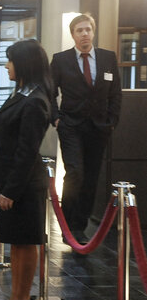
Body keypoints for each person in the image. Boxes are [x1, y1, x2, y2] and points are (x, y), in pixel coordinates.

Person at [0, 40, 51, 300]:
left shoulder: (36, 100)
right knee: (15, 243)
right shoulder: (23, 92)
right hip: (11, 180)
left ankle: (22, 299)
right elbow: (6, 143)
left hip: (25, 185)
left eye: (10, 61)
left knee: (26, 244)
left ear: (24, 63)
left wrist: (10, 190)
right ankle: (15, 298)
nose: (6, 66)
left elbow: (26, 151)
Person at [51, 13, 122, 244]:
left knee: (91, 177)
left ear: (93, 32)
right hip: (70, 125)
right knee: (74, 173)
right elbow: (50, 92)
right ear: (73, 35)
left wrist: (111, 121)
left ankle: (79, 227)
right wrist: (56, 118)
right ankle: (68, 226)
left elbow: (115, 94)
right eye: (79, 30)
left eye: (88, 30)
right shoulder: (61, 60)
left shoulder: (108, 58)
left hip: (99, 127)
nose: (84, 34)